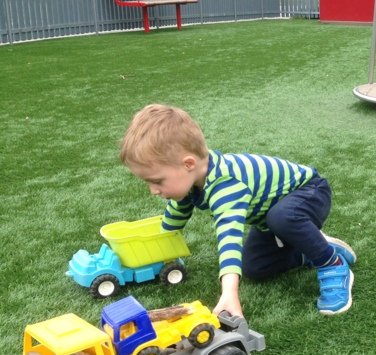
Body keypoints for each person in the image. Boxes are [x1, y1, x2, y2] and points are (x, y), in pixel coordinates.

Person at [120, 104, 355, 318]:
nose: (153, 190)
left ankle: (331, 263)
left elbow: (229, 237)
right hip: (271, 218)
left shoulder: (226, 185)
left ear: (188, 164)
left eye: (157, 181)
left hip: (310, 194)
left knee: (282, 217)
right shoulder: (191, 180)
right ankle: (315, 247)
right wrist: (153, 253)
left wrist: (229, 292)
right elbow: (173, 220)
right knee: (255, 267)